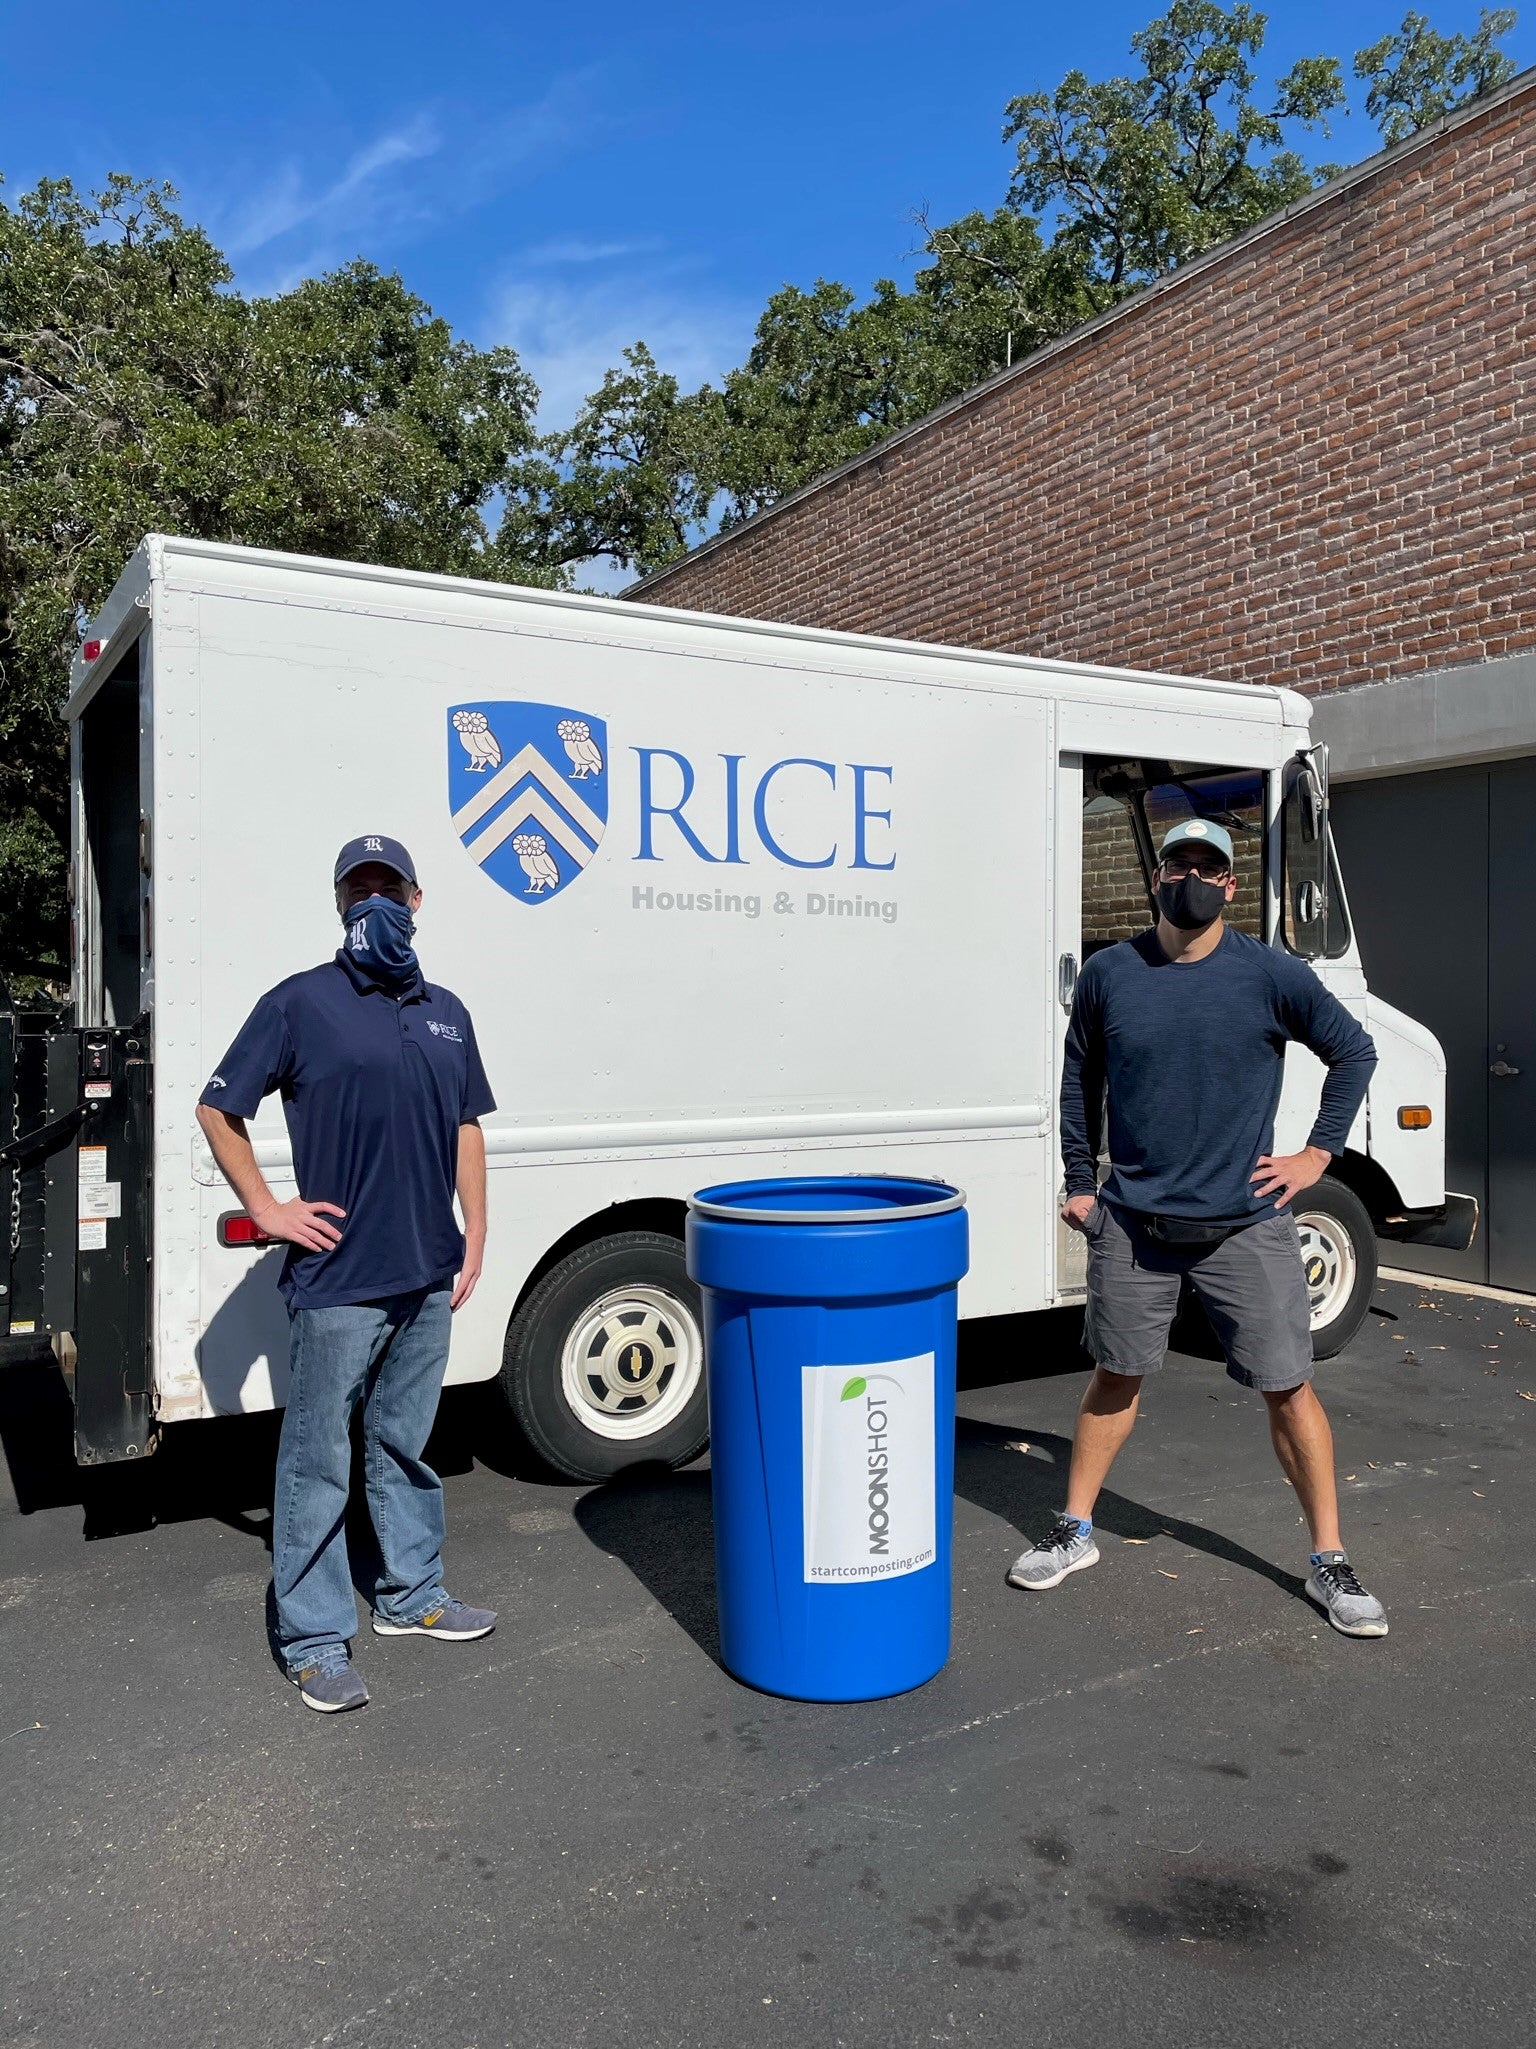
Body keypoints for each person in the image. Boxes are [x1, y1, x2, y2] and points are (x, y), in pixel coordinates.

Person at [1009, 817, 1389, 1638]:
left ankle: (1329, 1559)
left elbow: (1354, 1051)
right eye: (1177, 862)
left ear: (1229, 884)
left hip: (1245, 1225)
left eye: (1209, 867)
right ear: (1157, 878)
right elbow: (1079, 1081)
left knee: (1289, 1387)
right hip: (1135, 1224)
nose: (1193, 876)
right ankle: (1074, 1529)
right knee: (1115, 1373)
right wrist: (1082, 1184)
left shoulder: (1270, 974)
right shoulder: (1112, 973)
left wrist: (1318, 1155)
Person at [196, 836, 497, 1712]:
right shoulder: (300, 1003)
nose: (375, 900)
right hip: (338, 1286)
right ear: (339, 905)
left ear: (415, 897)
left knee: (404, 1443)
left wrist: (475, 1229)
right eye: (357, 888)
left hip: (426, 1276)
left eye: (388, 886)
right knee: (318, 1461)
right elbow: (219, 1107)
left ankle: (411, 1597)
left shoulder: (447, 1011)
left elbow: (468, 1123)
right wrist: (269, 1208)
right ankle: (315, 1637)